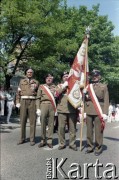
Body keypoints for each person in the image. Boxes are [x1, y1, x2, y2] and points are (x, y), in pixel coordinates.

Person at [84, 69, 109, 156]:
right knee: (89, 131)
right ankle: (90, 147)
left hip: (99, 111)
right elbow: (84, 100)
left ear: (99, 76)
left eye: (96, 75)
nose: (94, 77)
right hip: (89, 110)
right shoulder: (88, 86)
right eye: (93, 76)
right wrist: (83, 111)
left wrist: (105, 113)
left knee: (98, 130)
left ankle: (98, 148)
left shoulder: (103, 86)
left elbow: (106, 100)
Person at [16, 68, 39, 146]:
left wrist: (38, 106)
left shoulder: (36, 82)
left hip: (32, 101)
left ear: (33, 73)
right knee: (22, 121)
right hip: (23, 101)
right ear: (26, 73)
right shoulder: (22, 81)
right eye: (28, 72)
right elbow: (18, 92)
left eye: (31, 72)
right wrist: (17, 102)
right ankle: (22, 138)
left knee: (33, 121)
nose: (29, 73)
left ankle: (32, 139)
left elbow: (38, 94)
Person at [56, 71, 78, 151]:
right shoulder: (59, 85)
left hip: (72, 109)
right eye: (64, 76)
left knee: (72, 128)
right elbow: (56, 94)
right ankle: (62, 144)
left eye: (67, 76)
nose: (66, 77)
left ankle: (72, 144)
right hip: (62, 109)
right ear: (62, 78)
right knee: (61, 128)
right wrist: (64, 86)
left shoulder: (74, 86)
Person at [36, 73, 56, 148]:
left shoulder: (55, 87)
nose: (49, 79)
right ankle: (43, 140)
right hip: (43, 105)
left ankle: (50, 140)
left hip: (52, 105)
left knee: (51, 124)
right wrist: (38, 108)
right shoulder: (41, 87)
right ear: (45, 79)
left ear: (52, 79)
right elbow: (38, 98)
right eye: (47, 78)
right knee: (43, 123)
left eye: (50, 78)